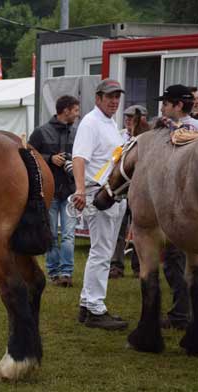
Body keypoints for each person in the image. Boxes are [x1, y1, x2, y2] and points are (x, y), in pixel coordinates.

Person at [72, 79, 128, 330]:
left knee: (101, 251)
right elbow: (79, 158)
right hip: (99, 194)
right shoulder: (91, 122)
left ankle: (87, 305)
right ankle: (95, 308)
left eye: (117, 96)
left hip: (112, 194)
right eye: (109, 97)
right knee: (102, 253)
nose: (114, 101)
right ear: (98, 98)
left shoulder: (110, 124)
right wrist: (81, 189)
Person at [157, 85, 198, 330]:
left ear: (178, 105)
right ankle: (197, 309)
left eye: (166, 102)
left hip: (178, 208)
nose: (163, 107)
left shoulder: (169, 133)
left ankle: (180, 313)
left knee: (174, 261)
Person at [29, 95, 80, 287]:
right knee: (50, 235)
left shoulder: (77, 133)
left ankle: (66, 273)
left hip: (69, 191)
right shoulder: (40, 132)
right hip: (47, 193)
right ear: (65, 110)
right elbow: (29, 156)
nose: (77, 114)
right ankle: (53, 273)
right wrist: (50, 159)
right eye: (75, 110)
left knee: (68, 235)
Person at [109, 105, 147, 279]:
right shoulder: (119, 136)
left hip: (141, 189)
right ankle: (116, 265)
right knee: (119, 227)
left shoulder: (147, 138)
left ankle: (139, 266)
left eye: (132, 117)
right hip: (123, 188)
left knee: (141, 229)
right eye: (126, 117)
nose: (128, 120)